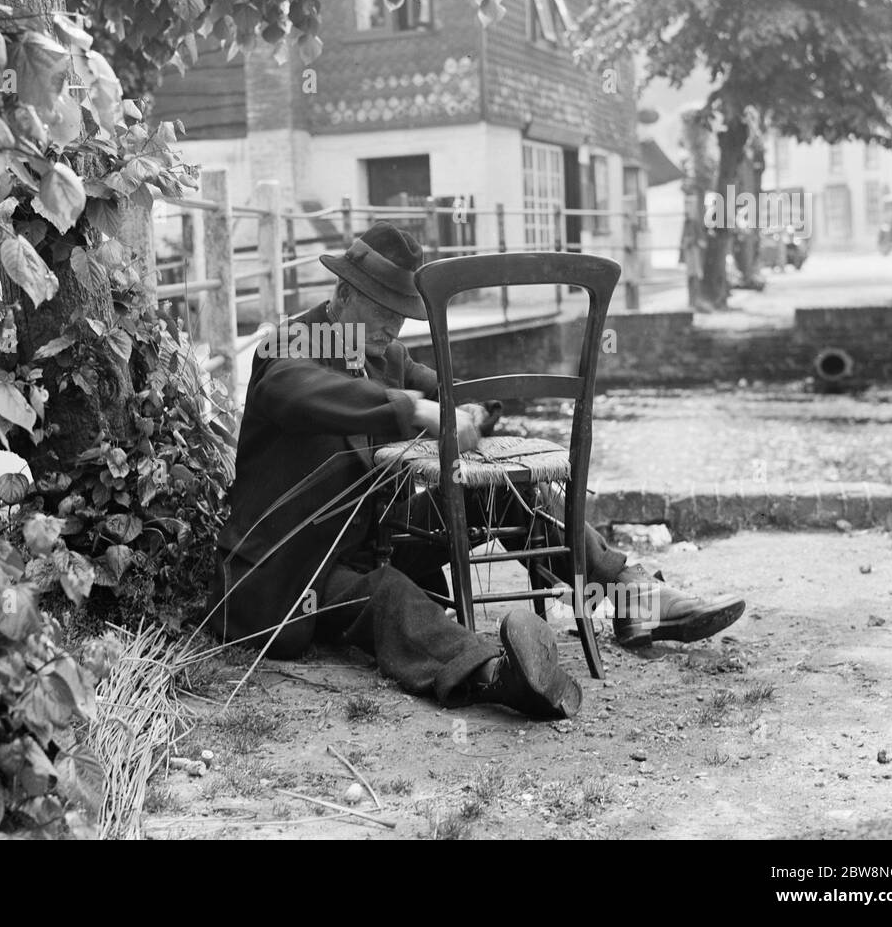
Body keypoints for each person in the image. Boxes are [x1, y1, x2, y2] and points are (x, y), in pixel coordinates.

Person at [207, 223, 744, 719]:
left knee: (508, 491)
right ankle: (499, 674)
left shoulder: (386, 354)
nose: (393, 325)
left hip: (377, 536)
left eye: (401, 312)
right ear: (343, 293)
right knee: (387, 594)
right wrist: (413, 410)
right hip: (293, 573)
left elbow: (450, 390)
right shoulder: (293, 341)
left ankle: (630, 596)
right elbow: (293, 389)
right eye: (382, 308)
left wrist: (469, 412)